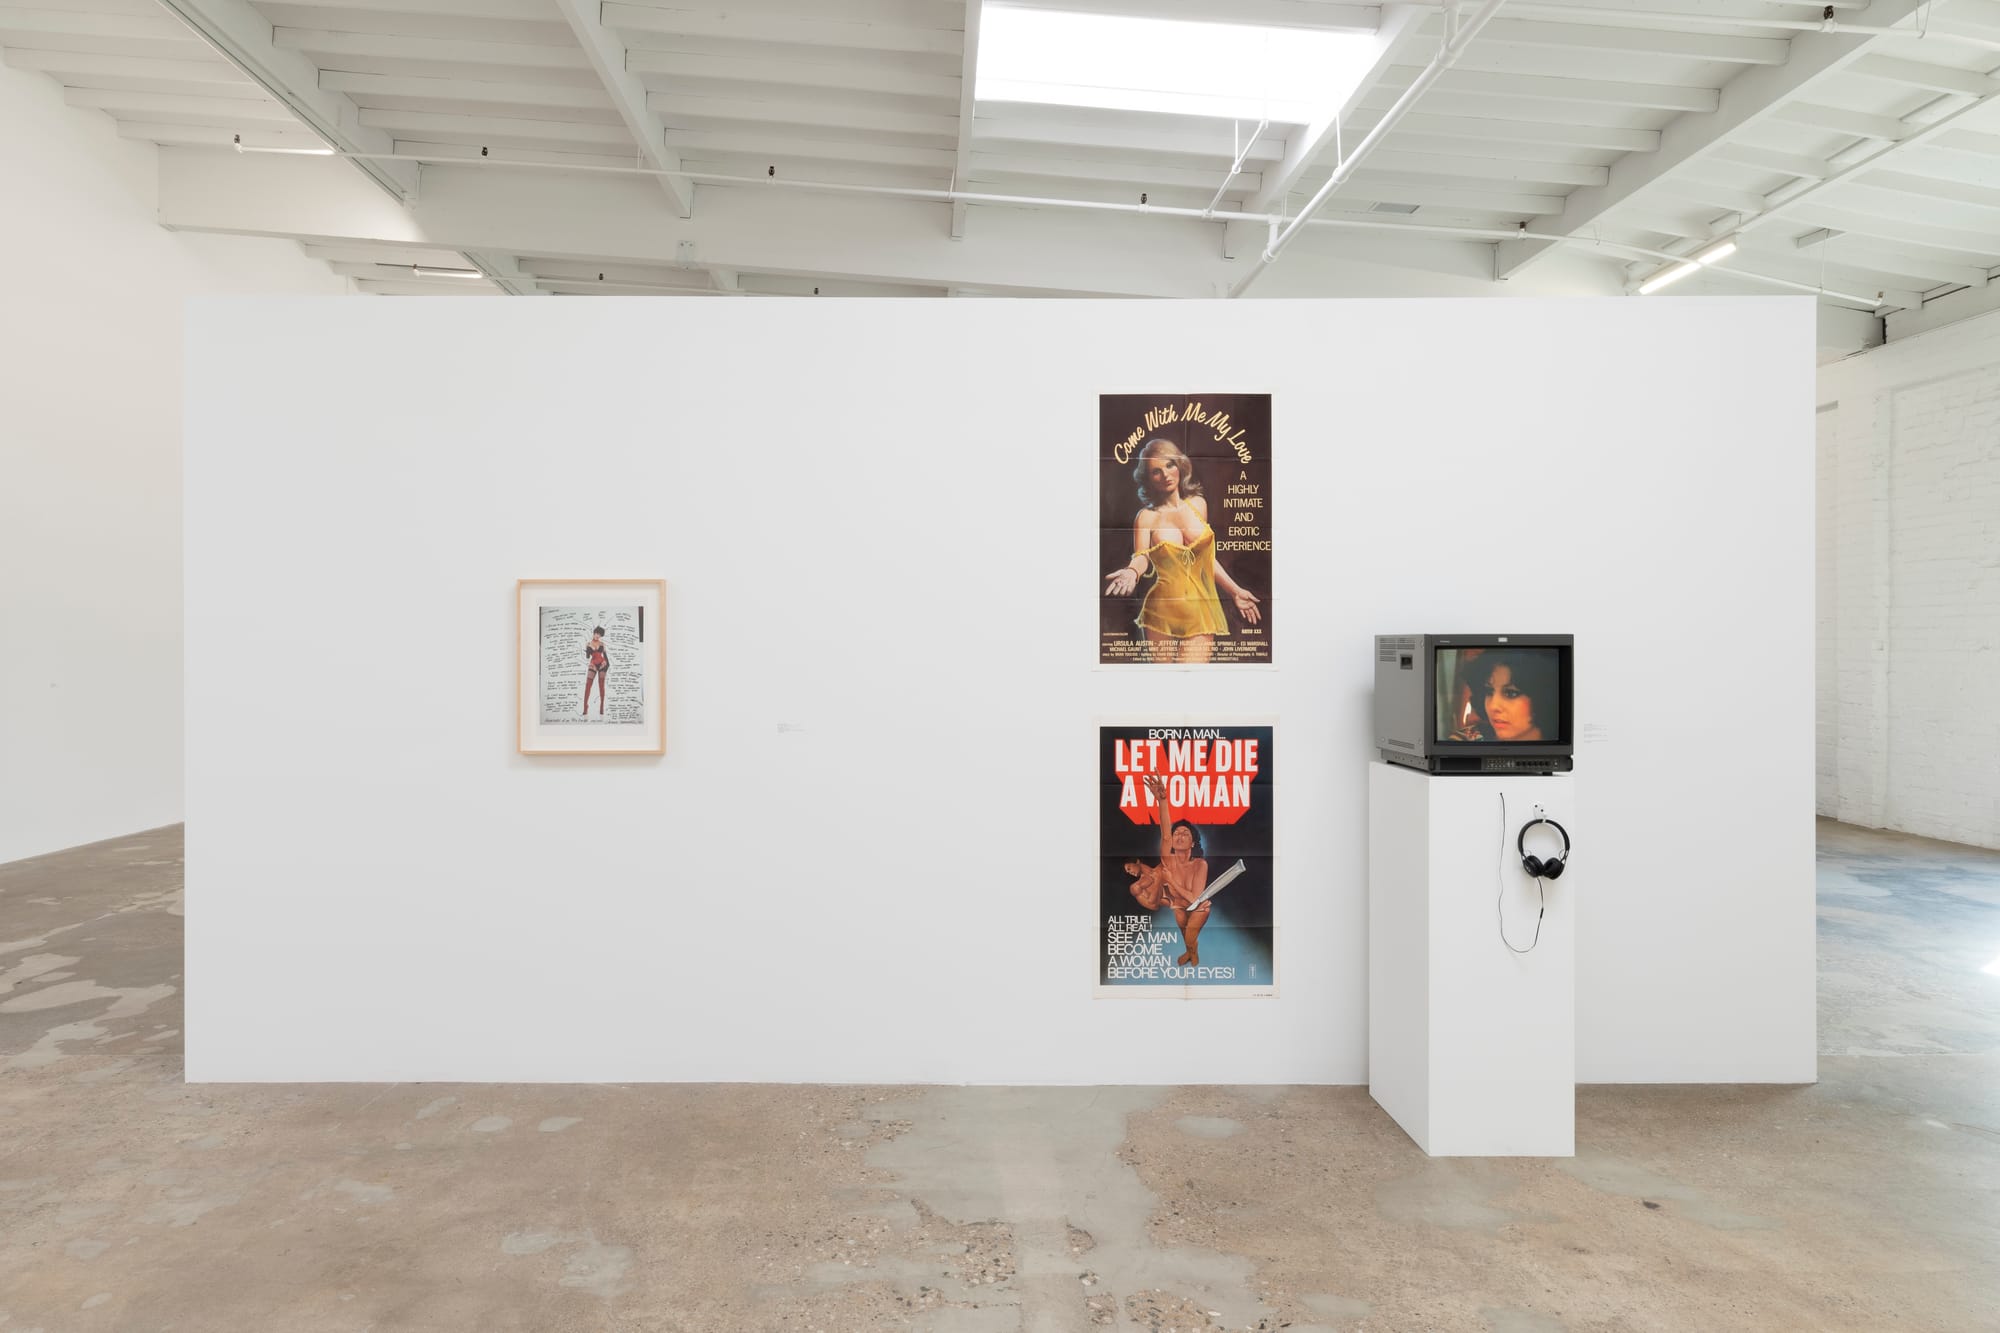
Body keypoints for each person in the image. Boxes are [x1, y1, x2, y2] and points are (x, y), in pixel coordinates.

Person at [1102, 437, 1260, 663]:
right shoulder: (1146, 517)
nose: (1165, 475)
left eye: (1169, 465)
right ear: (1148, 478)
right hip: (1160, 609)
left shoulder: (1198, 504)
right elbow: (1142, 557)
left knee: (1193, 678)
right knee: (1163, 680)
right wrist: (1132, 571)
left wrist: (1235, 591)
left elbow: (1206, 559)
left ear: (1180, 465)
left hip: (1200, 608)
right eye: (1156, 471)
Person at [1124, 772, 1213, 967]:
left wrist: (1171, 881)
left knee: (1190, 935)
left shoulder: (1200, 864)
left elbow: (1194, 899)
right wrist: (1162, 800)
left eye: (1185, 833)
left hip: (1199, 907)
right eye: (1177, 833)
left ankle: (1192, 951)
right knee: (1185, 935)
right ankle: (1191, 952)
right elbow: (1165, 833)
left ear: (1192, 843)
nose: (1179, 835)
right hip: (1178, 907)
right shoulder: (1168, 861)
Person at [1458, 649, 1558, 742]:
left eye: (1511, 693)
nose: (1493, 706)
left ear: (1543, 697)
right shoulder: (1464, 741)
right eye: (1489, 691)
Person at [581, 626, 610, 716]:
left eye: (600, 635)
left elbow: (605, 656)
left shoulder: (602, 644)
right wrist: (587, 649)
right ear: (594, 633)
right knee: (588, 685)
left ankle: (601, 706)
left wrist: (606, 664)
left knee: (601, 686)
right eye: (597, 633)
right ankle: (585, 707)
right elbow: (587, 657)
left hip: (602, 664)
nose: (598, 636)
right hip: (593, 664)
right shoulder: (588, 644)